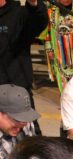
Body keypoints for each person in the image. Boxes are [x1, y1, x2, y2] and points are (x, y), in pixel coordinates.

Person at [0, 0, 48, 135]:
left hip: (17, 92)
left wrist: (34, 4)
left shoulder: (19, 14)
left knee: (29, 141)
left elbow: (39, 22)